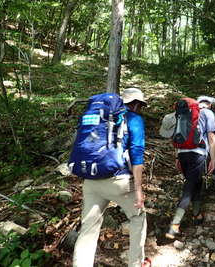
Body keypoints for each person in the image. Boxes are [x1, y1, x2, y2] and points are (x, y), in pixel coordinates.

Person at [73, 88, 151, 267]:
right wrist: (139, 190)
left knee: (88, 229)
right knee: (138, 218)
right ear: (136, 104)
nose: (140, 109)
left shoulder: (98, 117)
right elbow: (137, 156)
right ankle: (136, 263)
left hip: (91, 181)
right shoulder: (134, 119)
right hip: (119, 181)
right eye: (140, 106)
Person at [165, 96, 215, 239]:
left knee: (196, 182)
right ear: (209, 105)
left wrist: (177, 156)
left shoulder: (184, 113)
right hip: (198, 154)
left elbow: (178, 134)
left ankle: (197, 214)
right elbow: (211, 137)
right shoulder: (207, 113)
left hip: (183, 154)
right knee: (188, 188)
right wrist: (213, 158)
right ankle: (174, 225)